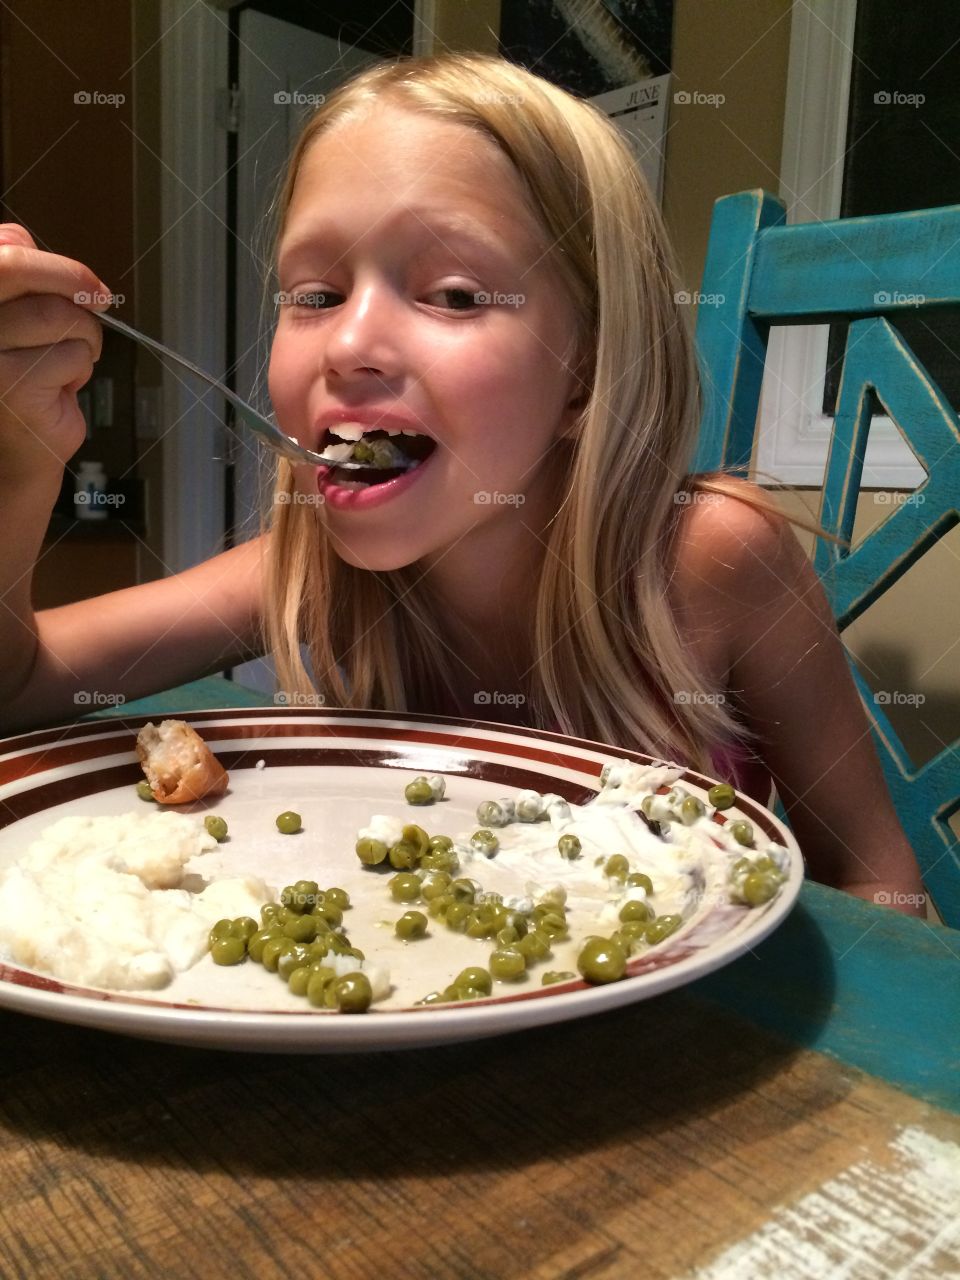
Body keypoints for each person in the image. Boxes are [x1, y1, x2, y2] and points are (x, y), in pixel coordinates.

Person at [0, 53, 925, 914]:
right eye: (315, 296)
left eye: (453, 295)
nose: (352, 344)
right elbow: (22, 684)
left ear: (584, 372)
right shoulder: (310, 564)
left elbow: (877, 877)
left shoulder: (710, 556)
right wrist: (23, 460)